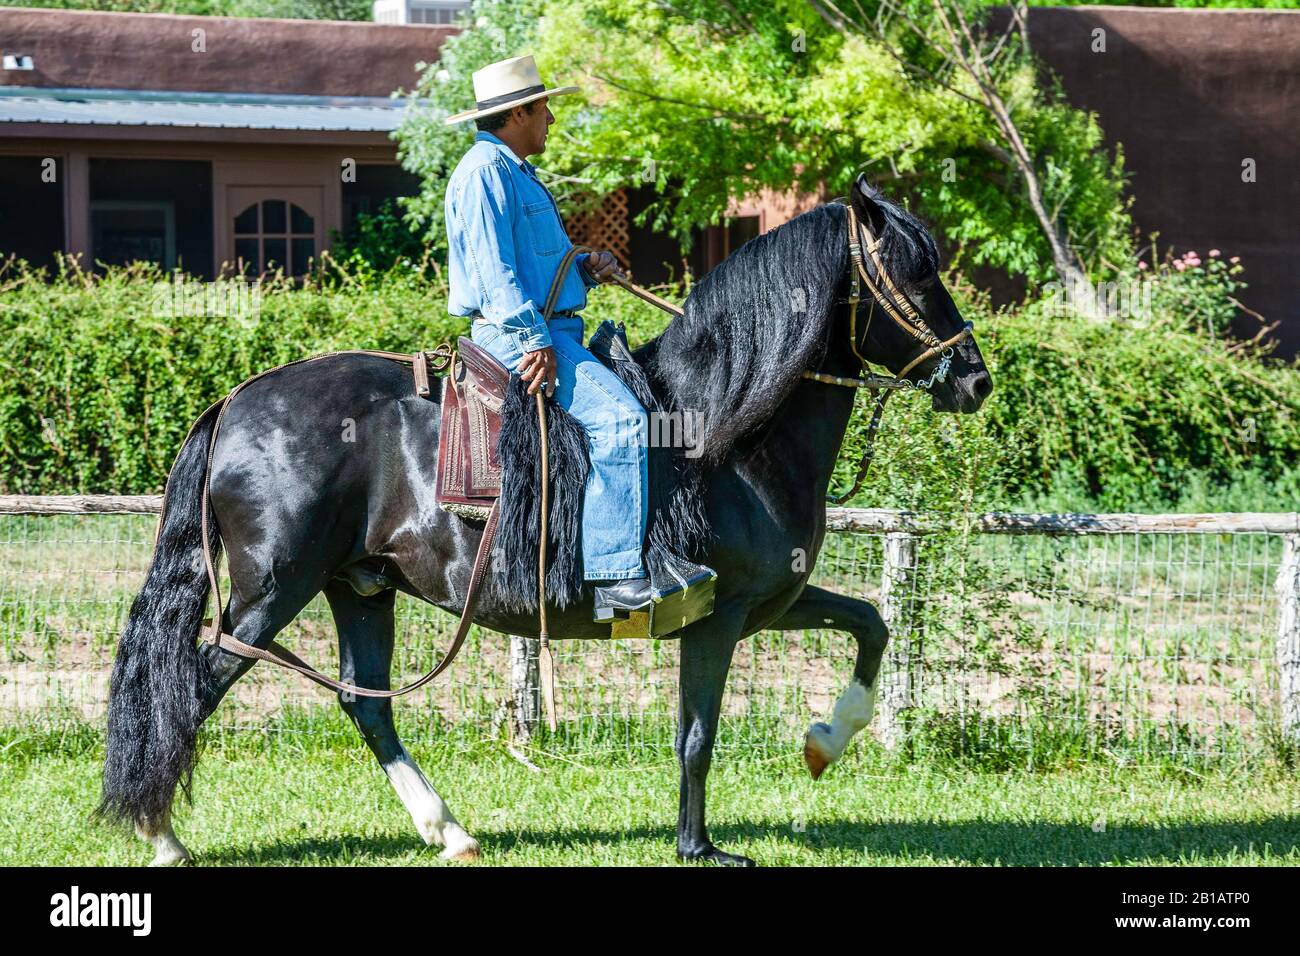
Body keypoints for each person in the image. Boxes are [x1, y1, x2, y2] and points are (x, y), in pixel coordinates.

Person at [444, 54, 655, 622]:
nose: (552, 120)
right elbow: (494, 273)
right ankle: (614, 576)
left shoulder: (513, 171)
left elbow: (533, 264)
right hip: (523, 338)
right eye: (544, 109)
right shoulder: (485, 173)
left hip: (546, 327)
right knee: (623, 420)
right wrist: (533, 340)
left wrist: (584, 266)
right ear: (519, 113)